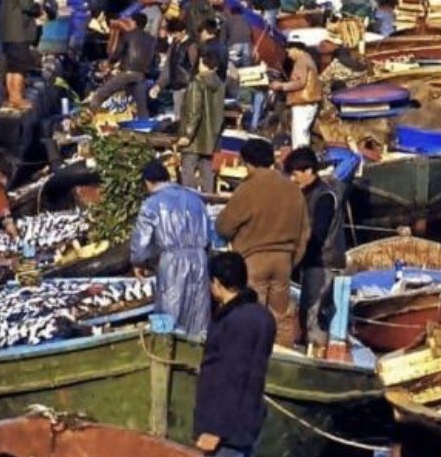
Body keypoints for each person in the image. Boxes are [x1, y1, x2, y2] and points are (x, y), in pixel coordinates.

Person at [193, 251, 276, 457]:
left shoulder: (235, 322)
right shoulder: (262, 317)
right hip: (249, 417)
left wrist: (215, 429)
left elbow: (231, 377)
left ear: (216, 283)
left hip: (229, 422)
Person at [216, 138, 309, 347]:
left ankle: (250, 359)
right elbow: (305, 232)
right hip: (284, 261)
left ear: (248, 163)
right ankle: (282, 360)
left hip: (253, 260)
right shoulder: (293, 189)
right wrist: (292, 260)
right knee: (280, 318)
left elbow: (224, 226)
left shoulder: (248, 188)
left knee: (252, 317)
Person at [131, 159, 211, 337]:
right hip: (200, 258)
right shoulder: (196, 199)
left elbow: (141, 241)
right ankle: (196, 354)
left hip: (172, 261)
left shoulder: (151, 204)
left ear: (148, 182)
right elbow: (209, 233)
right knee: (197, 310)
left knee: (167, 310)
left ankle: (162, 351)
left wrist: (138, 262)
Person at [284, 146, 346, 354]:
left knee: (315, 314)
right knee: (306, 312)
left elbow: (318, 234)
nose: (293, 180)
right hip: (311, 262)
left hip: (324, 262)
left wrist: (298, 258)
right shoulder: (306, 194)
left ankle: (316, 355)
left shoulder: (325, 196)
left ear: (309, 171)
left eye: (295, 174)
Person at [178, 45, 226, 194]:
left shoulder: (197, 83)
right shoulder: (220, 84)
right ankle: (209, 201)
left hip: (195, 138)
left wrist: (187, 135)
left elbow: (194, 112)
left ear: (201, 62)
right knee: (207, 170)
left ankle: (190, 201)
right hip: (211, 136)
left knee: (188, 171)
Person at [0, 0, 41, 113]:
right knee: (19, 67)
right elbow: (27, 5)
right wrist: (39, 9)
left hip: (6, 30)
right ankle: (17, 97)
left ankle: (11, 96)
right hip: (18, 32)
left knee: (10, 66)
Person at [270, 44, 322, 150]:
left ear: (297, 49)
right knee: (303, 133)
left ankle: (300, 157)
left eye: (289, 51)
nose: (288, 54)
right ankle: (302, 154)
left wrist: (282, 86)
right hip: (309, 102)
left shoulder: (301, 61)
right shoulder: (309, 59)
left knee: (299, 135)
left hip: (302, 102)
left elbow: (300, 82)